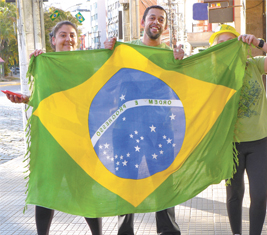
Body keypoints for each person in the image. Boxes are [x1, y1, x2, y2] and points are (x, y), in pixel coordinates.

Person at [5, 20, 102, 235]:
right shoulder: (43, 64)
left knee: (85, 194)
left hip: (78, 140)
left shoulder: (85, 66)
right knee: (47, 194)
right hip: (51, 141)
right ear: (53, 40)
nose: (68, 39)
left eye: (72, 35)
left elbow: (93, 99)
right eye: (63, 35)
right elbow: (44, 100)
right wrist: (25, 100)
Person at [104, 5, 183, 235]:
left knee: (163, 182)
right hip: (125, 130)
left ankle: (168, 231)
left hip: (161, 130)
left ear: (165, 26)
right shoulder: (124, 52)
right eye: (151, 18)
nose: (155, 22)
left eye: (161, 19)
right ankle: (124, 231)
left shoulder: (171, 56)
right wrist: (105, 50)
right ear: (143, 22)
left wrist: (182, 61)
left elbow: (186, 86)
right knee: (126, 184)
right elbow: (100, 75)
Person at [209, 25, 267, 235]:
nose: (226, 46)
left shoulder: (254, 65)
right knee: (234, 194)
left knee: (260, 196)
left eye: (231, 41)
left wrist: (258, 43)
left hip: (259, 143)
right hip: (231, 146)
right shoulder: (213, 73)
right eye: (220, 43)